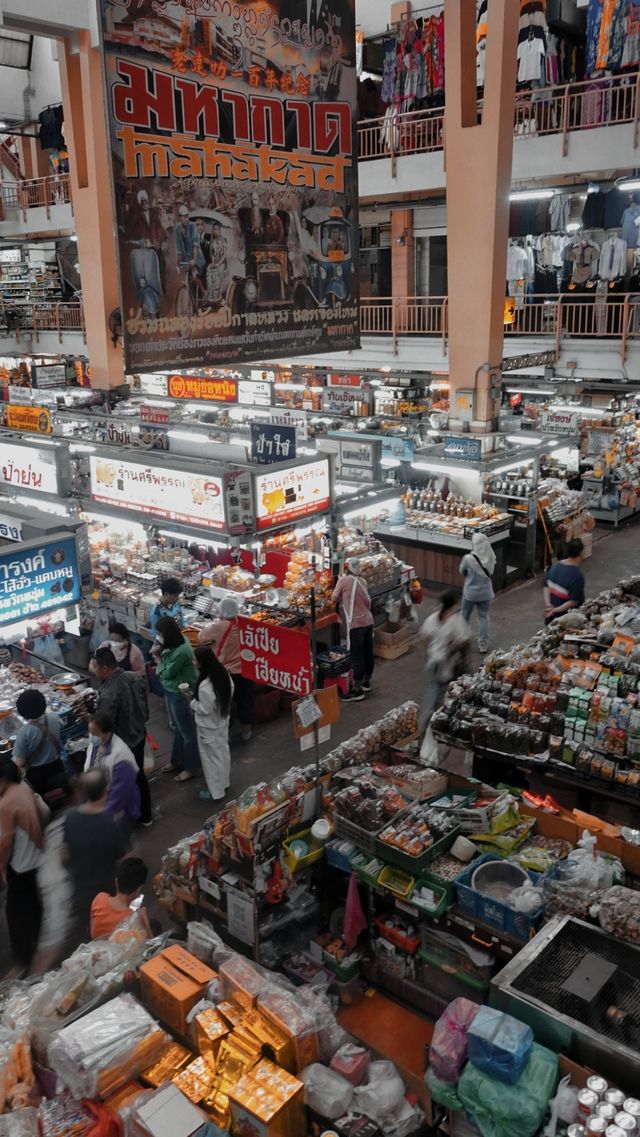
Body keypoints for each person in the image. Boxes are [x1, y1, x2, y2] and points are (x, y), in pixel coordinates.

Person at [92, 647, 152, 827]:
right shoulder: (134, 677)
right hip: (139, 734)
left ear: (104, 668)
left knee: (125, 780)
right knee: (139, 775)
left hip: (123, 744)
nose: (94, 671)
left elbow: (105, 726)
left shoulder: (108, 694)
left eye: (95, 667)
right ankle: (146, 815)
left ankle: (132, 815)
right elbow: (145, 706)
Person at [0, 757, 47, 972]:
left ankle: (24, 961)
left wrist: (1, 869)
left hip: (20, 865)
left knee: (15, 914)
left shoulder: (6, 803)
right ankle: (40, 940)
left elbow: (5, 843)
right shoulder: (23, 787)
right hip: (35, 857)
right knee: (33, 905)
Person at [62, 769, 129, 919]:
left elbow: (64, 857)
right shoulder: (114, 820)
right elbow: (123, 860)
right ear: (106, 790)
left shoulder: (70, 817)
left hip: (81, 894)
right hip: (107, 895)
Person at [198, 597, 254, 742]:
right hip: (247, 668)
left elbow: (201, 637)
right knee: (246, 701)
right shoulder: (245, 621)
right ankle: (246, 733)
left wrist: (215, 623)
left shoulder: (219, 626)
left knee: (225, 703)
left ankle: (226, 736)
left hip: (228, 672)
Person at [153, 617, 200, 781]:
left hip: (179, 694)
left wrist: (158, 660)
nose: (157, 636)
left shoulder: (181, 650)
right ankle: (177, 760)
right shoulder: (171, 645)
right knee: (177, 729)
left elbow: (167, 673)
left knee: (187, 732)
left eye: (160, 633)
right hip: (170, 690)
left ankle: (192, 767)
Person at [417, 590, 471, 733]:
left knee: (436, 687)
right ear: (453, 605)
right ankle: (433, 720)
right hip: (447, 663)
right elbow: (465, 641)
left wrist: (427, 656)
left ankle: (428, 717)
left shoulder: (432, 618)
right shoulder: (456, 621)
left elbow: (424, 639)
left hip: (434, 661)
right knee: (443, 690)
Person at [192, 645, 234, 803]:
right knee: (222, 753)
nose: (193, 661)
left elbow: (204, 709)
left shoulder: (204, 687)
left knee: (210, 760)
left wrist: (192, 703)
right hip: (222, 721)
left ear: (202, 663)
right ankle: (224, 782)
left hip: (208, 727)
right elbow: (230, 690)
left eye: (195, 659)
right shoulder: (222, 673)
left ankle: (216, 792)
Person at [84, 711, 141, 827]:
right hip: (100, 804)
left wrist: (101, 817)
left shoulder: (121, 757)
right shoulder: (95, 744)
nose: (91, 736)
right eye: (90, 733)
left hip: (117, 812)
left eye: (94, 733)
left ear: (107, 733)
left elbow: (120, 794)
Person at [331, 559, 374, 703]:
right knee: (368, 652)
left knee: (357, 656)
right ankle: (367, 682)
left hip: (356, 623)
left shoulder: (343, 581)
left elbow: (333, 599)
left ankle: (357, 690)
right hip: (368, 621)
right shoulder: (363, 581)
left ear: (346, 568)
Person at [12, 689, 67, 800]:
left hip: (37, 776)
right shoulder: (54, 717)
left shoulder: (24, 732)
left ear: (22, 712)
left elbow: (19, 762)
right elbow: (61, 725)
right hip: (57, 767)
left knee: (43, 799)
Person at [90, 856, 152, 940]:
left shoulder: (99, 899)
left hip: (99, 948)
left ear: (116, 881)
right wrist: (144, 916)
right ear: (139, 889)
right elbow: (150, 942)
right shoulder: (134, 918)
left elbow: (93, 935)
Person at [460, 532, 496, 653]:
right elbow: (491, 573)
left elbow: (461, 571)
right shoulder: (491, 556)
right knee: (483, 617)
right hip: (486, 593)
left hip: (470, 593)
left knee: (464, 615)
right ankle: (483, 645)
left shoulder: (468, 559)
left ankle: (462, 639)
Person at [544, 538, 586, 625]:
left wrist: (549, 605)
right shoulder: (577, 576)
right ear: (580, 554)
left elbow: (546, 587)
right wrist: (555, 610)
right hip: (566, 621)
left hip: (550, 619)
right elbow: (574, 601)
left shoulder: (554, 566)